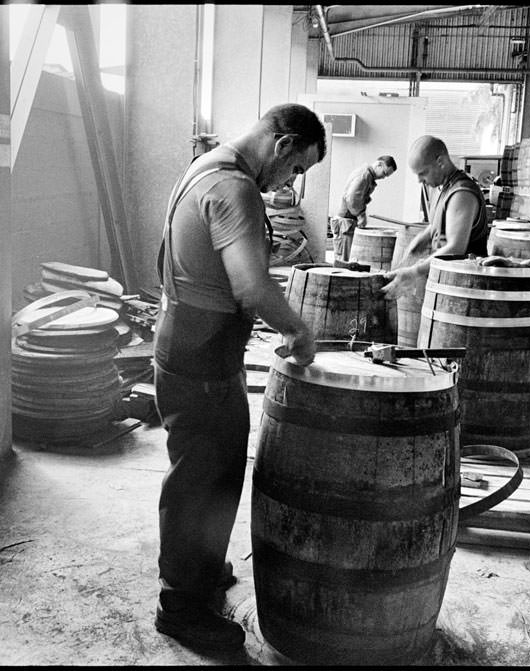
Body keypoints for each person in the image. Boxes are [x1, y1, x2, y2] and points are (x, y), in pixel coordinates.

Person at [152, 103, 326, 652]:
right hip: (201, 354)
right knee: (204, 477)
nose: (289, 181)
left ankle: (197, 569)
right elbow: (251, 286)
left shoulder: (205, 165)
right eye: (297, 168)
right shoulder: (236, 189)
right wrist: (299, 332)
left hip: (185, 339)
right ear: (283, 146)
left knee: (207, 466)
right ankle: (180, 606)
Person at [381, 136, 488, 301]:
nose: (419, 180)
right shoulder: (445, 188)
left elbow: (455, 247)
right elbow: (438, 225)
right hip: (448, 284)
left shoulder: (462, 193)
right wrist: (415, 246)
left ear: (440, 161)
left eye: (423, 173)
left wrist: (414, 272)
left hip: (466, 290)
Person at [330, 155, 397, 261]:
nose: (384, 177)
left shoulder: (366, 175)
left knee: (346, 261)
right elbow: (352, 198)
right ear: (379, 164)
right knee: (344, 262)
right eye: (384, 173)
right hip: (345, 223)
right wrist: (361, 215)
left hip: (348, 222)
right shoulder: (364, 175)